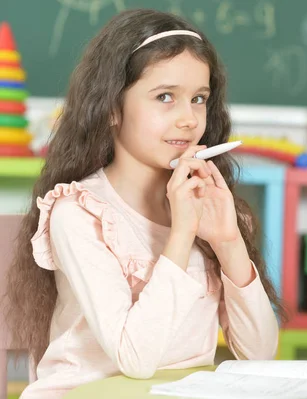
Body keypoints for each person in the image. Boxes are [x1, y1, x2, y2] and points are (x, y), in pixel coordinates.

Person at [5, 8, 284, 399]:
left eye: (199, 98)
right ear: (112, 108)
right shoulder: (79, 213)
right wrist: (181, 234)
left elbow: (259, 355)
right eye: (165, 97)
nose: (188, 119)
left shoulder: (210, 210)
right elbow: (135, 359)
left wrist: (228, 242)